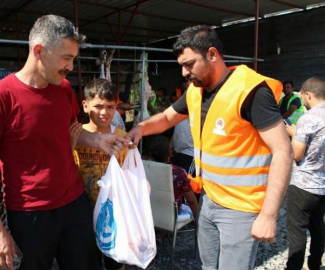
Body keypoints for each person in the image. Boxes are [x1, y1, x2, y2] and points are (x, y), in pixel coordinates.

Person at [126, 25, 293, 270]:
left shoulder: (251, 92)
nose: (184, 73)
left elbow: (283, 151)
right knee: (206, 266)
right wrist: (139, 129)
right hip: (209, 201)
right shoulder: (196, 90)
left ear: (212, 54)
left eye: (189, 64)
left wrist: (268, 216)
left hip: (241, 209)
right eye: (182, 65)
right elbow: (167, 118)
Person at [0, 15, 127, 270]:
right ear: (39, 51)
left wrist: (99, 139)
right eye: (66, 58)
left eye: (73, 58)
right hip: (29, 212)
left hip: (74, 204)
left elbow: (69, 133)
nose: (70, 66)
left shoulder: (63, 89)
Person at [73, 78, 128, 270]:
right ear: (85, 106)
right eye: (98, 106)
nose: (104, 112)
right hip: (82, 213)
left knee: (116, 262)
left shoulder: (121, 137)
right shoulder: (76, 135)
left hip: (114, 214)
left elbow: (130, 174)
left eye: (110, 107)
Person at [285, 77, 325, 270]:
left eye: (302, 97)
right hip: (323, 186)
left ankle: (293, 267)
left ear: (308, 94)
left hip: (303, 184)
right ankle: (315, 264)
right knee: (317, 227)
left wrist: (293, 134)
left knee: (297, 230)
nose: (302, 101)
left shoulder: (307, 119)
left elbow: (297, 154)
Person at [147, 135, 198, 217]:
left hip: (151, 213)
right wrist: (198, 219)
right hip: (173, 216)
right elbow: (192, 201)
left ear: (150, 153)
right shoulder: (179, 172)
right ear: (170, 153)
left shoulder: (145, 169)